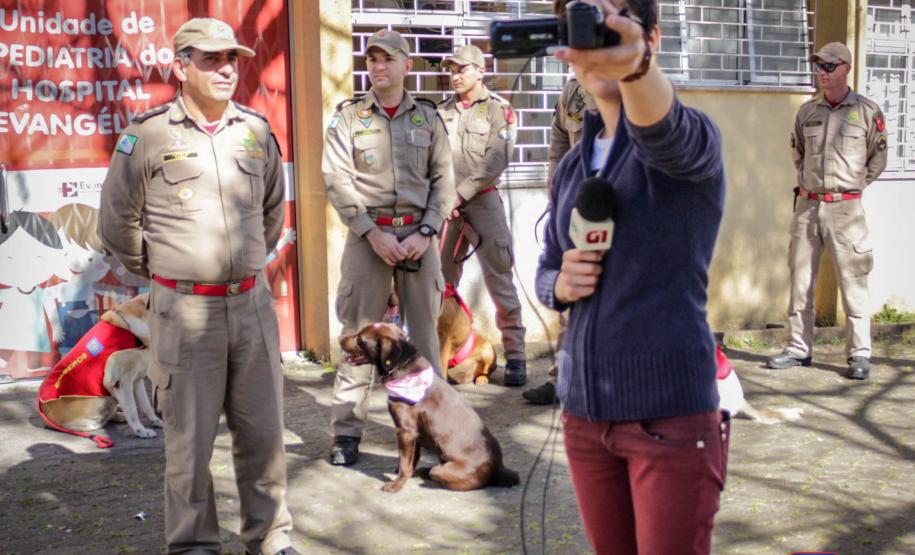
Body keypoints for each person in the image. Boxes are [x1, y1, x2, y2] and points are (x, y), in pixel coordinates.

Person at [536, 1, 729, 553]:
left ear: (652, 39)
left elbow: (666, 135)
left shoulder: (691, 141)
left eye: (614, 23)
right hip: (585, 418)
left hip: (668, 419)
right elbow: (548, 262)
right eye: (586, 27)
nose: (600, 43)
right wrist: (558, 284)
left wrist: (636, 69)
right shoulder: (574, 166)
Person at [98, 18, 296, 555]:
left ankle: (271, 538)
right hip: (184, 313)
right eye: (211, 59)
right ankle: (194, 546)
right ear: (181, 66)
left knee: (263, 436)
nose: (226, 69)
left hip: (252, 307)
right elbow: (117, 224)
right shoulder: (148, 135)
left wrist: (243, 267)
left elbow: (272, 212)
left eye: (231, 59)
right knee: (188, 445)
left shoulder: (255, 130)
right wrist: (170, 273)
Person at [322, 29, 454, 466]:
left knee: (426, 348)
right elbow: (336, 180)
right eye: (372, 59)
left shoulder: (429, 119)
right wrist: (371, 233)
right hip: (368, 239)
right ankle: (346, 435)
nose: (379, 66)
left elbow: (443, 181)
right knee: (358, 341)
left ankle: (434, 433)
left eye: (388, 59)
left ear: (406, 66)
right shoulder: (349, 118)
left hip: (420, 239)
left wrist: (428, 231)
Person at [767, 42, 888, 380]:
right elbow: (798, 154)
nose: (821, 71)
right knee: (801, 279)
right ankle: (798, 348)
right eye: (818, 65)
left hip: (846, 209)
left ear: (846, 68)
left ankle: (860, 354)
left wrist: (854, 185)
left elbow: (877, 159)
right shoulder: (807, 112)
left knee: (854, 281)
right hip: (807, 205)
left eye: (829, 66)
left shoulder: (867, 112)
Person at [436, 44, 527, 386]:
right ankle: (436, 357)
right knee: (439, 285)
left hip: (482, 200)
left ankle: (516, 355)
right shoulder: (440, 111)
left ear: (480, 71)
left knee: (499, 277)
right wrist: (444, 195)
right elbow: (431, 157)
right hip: (446, 206)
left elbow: (495, 159)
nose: (455, 75)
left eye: (461, 69)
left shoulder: (498, 111)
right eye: (451, 70)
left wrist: (462, 193)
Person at [524, 0, 598, 404]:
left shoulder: (636, 88)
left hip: (615, 206)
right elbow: (557, 135)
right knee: (567, 295)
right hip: (575, 207)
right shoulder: (571, 89)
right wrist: (556, 177)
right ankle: (561, 379)